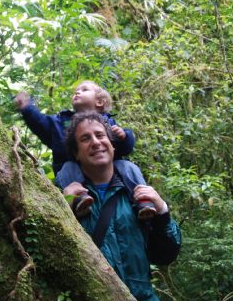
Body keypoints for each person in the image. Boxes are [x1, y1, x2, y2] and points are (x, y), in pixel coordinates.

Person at [62, 111, 181, 301]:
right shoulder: (65, 196)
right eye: (85, 138)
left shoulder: (135, 193)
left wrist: (162, 210)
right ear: (76, 153)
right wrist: (62, 207)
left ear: (112, 145)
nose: (96, 142)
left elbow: (166, 255)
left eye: (100, 135)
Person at [15, 81, 155, 218]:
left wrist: (124, 137)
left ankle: (143, 200)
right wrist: (28, 108)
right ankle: (79, 200)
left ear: (99, 102)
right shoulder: (62, 122)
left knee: (128, 166)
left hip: (109, 173)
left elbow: (124, 149)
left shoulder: (108, 123)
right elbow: (41, 123)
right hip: (72, 170)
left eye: (84, 90)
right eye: (76, 90)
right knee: (69, 168)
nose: (77, 92)